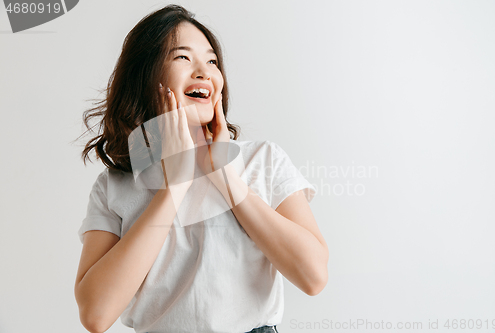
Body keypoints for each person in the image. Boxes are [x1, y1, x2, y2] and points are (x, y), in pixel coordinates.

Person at [74, 4, 329, 333]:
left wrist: (225, 177)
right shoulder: (114, 186)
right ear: (145, 78)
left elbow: (313, 277)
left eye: (211, 61)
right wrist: (175, 186)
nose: (204, 71)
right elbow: (95, 315)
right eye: (182, 57)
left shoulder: (263, 160)